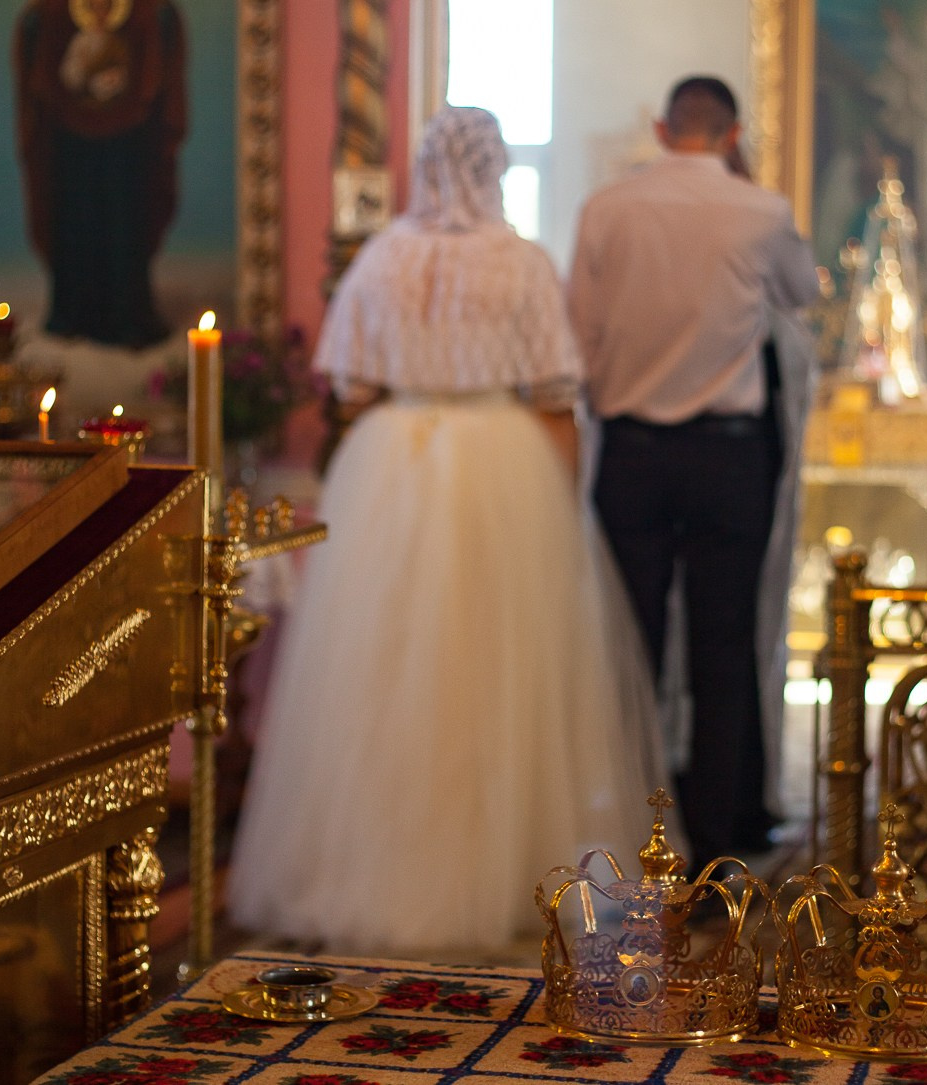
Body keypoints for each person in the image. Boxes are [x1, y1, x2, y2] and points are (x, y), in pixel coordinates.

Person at [226, 106, 664, 957]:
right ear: (493, 167)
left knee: (381, 674)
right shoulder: (522, 262)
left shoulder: (383, 256)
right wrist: (562, 509)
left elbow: (350, 392)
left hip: (392, 464)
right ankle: (499, 877)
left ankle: (373, 866)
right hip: (500, 465)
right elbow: (552, 394)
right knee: (495, 673)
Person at [567, 76, 820, 872]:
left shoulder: (606, 209)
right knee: (720, 647)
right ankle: (712, 843)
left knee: (628, 646)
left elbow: (583, 331)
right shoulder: (759, 210)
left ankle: (625, 829)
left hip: (633, 453)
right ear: (733, 132)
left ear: (659, 126)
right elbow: (804, 293)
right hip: (726, 455)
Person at [14, 0, 186, 349]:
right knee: (76, 223)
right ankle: (72, 312)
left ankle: (128, 317)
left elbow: (150, 63)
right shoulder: (53, 18)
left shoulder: (144, 17)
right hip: (71, 146)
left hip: (128, 144)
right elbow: (54, 71)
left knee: (125, 225)